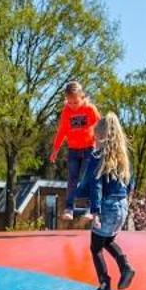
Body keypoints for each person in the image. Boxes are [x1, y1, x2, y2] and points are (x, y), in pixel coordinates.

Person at [82, 112, 137, 290]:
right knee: (106, 241)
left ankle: (104, 286)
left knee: (95, 246)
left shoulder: (99, 156)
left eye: (96, 137)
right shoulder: (123, 156)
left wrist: (95, 212)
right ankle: (125, 266)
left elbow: (96, 185)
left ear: (102, 135)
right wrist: (126, 202)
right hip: (122, 205)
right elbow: (131, 181)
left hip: (107, 206)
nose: (95, 141)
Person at [52, 81, 101, 226]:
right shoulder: (66, 111)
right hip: (73, 149)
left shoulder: (90, 109)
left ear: (82, 97)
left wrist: (102, 145)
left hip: (89, 148)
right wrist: (55, 149)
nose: (73, 105)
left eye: (75, 102)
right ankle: (69, 208)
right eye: (70, 102)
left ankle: (89, 209)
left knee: (87, 178)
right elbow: (62, 131)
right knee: (72, 179)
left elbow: (101, 126)